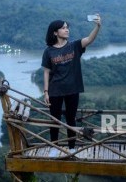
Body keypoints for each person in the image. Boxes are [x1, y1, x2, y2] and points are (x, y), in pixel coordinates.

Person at [41, 15, 101, 151]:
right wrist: (46, 92)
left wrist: (97, 26)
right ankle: (54, 148)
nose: (67, 30)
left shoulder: (74, 46)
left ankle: (72, 148)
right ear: (55, 32)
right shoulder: (48, 51)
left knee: (71, 120)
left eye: (67, 27)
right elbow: (46, 72)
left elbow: (90, 39)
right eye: (63, 28)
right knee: (55, 121)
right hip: (55, 90)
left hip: (73, 89)